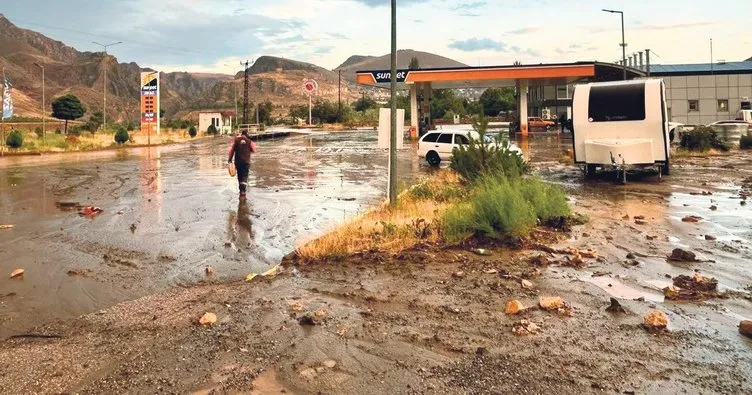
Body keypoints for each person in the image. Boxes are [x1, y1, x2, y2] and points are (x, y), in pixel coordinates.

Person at [228, 130, 255, 199]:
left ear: (241, 134)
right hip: (246, 162)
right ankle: (243, 191)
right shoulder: (249, 141)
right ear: (246, 135)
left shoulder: (236, 141)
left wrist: (230, 160)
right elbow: (254, 150)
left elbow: (231, 151)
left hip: (238, 162)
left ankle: (241, 191)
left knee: (240, 176)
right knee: (245, 176)